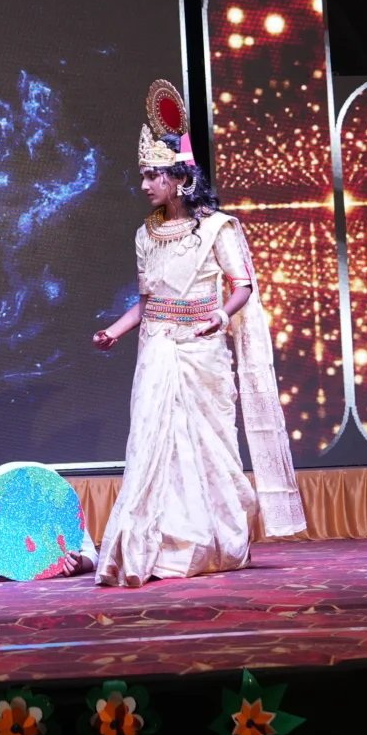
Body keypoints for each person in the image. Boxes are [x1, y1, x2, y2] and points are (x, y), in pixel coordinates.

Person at [90, 82, 307, 587]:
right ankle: (160, 546)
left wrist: (220, 318)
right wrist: (114, 331)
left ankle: (215, 541)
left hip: (202, 349)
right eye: (143, 175)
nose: (145, 184)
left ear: (180, 179)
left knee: (208, 447)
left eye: (153, 175)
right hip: (158, 349)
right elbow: (147, 301)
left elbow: (242, 285)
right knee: (154, 444)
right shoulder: (145, 234)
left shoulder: (216, 228)